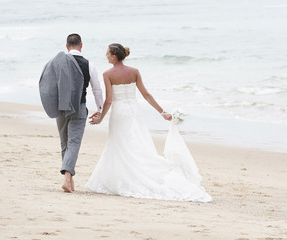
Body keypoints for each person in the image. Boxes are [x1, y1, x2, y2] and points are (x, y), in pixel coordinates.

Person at [86, 43, 211, 202]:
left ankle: (124, 177)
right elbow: (146, 95)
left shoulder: (107, 74)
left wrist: (100, 118)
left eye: (107, 53)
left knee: (119, 144)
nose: (106, 55)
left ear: (114, 56)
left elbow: (109, 100)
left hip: (119, 113)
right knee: (136, 142)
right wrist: (162, 112)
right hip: (133, 111)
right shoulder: (134, 71)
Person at [39, 33, 104, 193]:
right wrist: (100, 110)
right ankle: (67, 177)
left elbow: (49, 83)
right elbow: (96, 89)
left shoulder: (56, 63)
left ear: (67, 46)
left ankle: (68, 179)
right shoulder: (89, 65)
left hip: (61, 108)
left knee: (65, 143)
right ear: (81, 45)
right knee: (74, 143)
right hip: (79, 107)